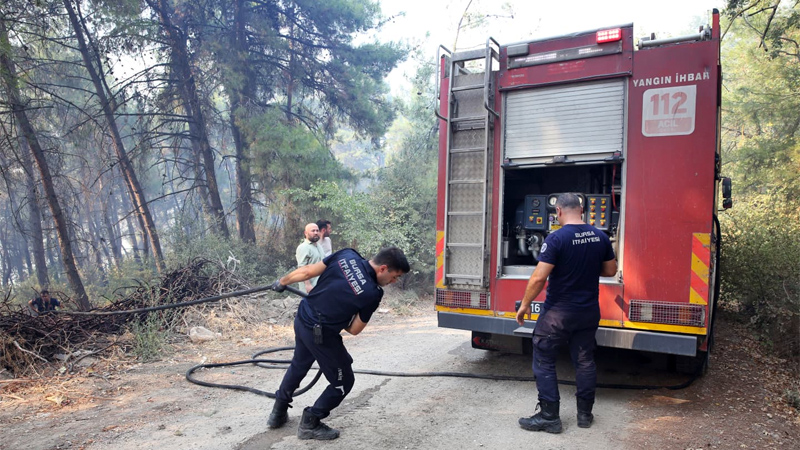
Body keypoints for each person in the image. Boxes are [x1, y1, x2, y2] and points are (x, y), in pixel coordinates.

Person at [268, 246, 410, 440]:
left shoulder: (347, 254)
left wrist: (282, 282)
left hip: (303, 318)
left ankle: (277, 413)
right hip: (321, 334)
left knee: (299, 364)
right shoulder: (372, 293)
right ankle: (311, 421)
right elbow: (354, 329)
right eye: (395, 276)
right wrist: (341, 311)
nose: (393, 282)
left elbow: (307, 271)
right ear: (383, 268)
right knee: (343, 381)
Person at [515, 193, 617, 433]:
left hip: (558, 314)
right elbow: (611, 270)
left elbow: (540, 276)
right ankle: (584, 415)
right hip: (588, 311)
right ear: (581, 210)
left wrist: (525, 304)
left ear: (558, 211)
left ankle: (550, 417)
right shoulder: (600, 236)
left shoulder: (556, 238)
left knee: (543, 355)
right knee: (584, 360)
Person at [295, 223, 325, 293]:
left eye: (317, 231)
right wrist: (308, 285)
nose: (316, 233)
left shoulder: (319, 246)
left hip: (320, 285)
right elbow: (302, 268)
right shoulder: (303, 247)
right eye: (313, 231)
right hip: (310, 288)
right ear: (306, 233)